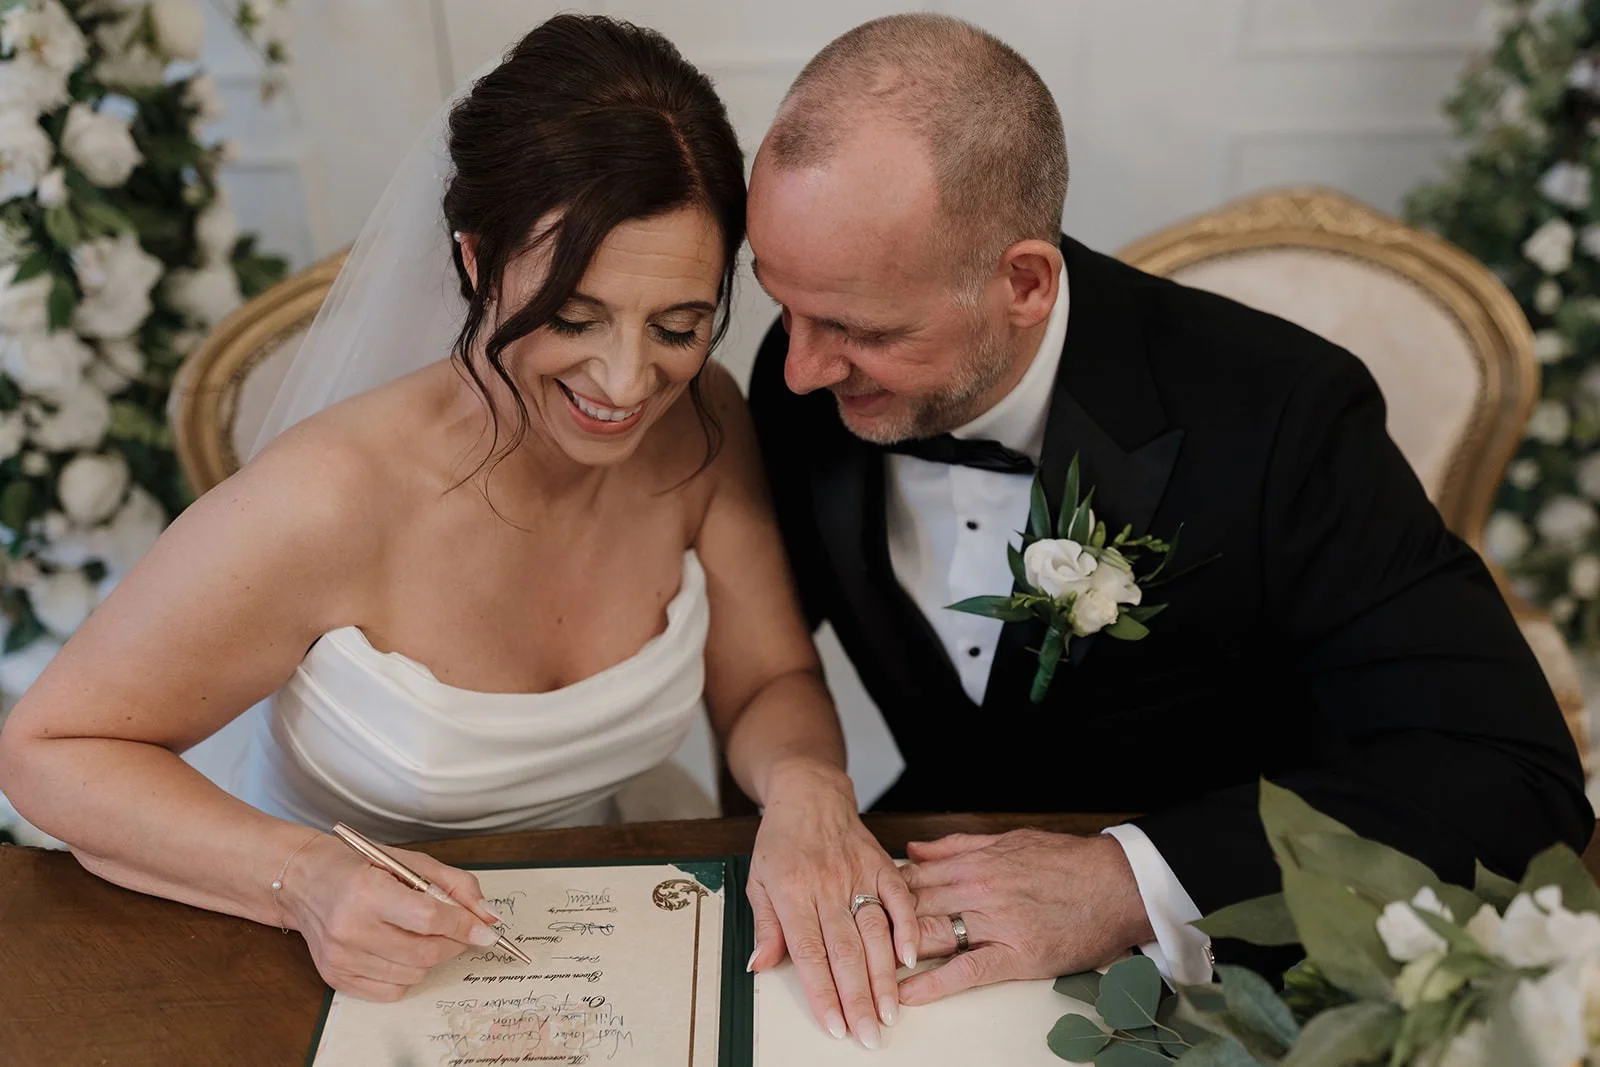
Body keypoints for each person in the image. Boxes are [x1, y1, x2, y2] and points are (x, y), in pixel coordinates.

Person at [0, 15, 909, 1049]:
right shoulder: (328, 500)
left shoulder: (701, 420)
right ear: (476, 263)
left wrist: (808, 791)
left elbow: (766, 682)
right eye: (574, 315)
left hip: (619, 943)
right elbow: (50, 748)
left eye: (678, 324)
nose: (627, 382)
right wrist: (305, 879)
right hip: (332, 959)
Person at [746, 12, 1594, 1006]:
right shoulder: (808, 376)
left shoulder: (1282, 416)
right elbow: (760, 652)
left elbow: (1511, 774)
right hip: (918, 910)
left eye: (857, 327)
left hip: (1219, 953)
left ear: (1023, 281)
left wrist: (1130, 877)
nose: (800, 367)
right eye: (782, 305)